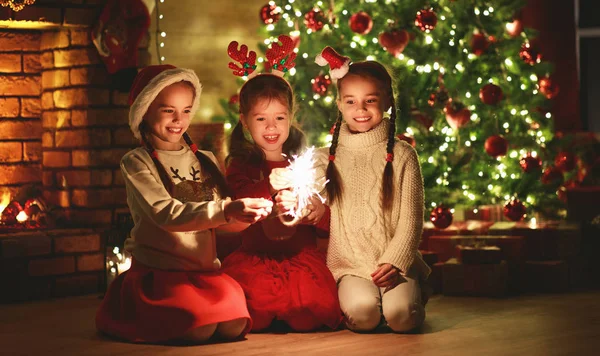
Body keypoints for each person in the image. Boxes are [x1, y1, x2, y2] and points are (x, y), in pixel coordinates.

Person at [95, 64, 273, 344]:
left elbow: (221, 223)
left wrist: (246, 215)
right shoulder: (136, 162)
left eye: (187, 110)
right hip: (161, 275)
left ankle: (198, 308)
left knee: (235, 325)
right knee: (198, 328)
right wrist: (226, 210)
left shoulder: (205, 159)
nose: (179, 119)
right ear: (145, 111)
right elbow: (167, 214)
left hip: (204, 273)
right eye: (168, 110)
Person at [274, 47, 431, 333]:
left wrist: (396, 261)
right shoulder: (326, 156)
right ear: (339, 104)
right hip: (349, 264)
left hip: (393, 263)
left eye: (370, 100)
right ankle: (373, 303)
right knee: (363, 316)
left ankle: (410, 294)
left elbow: (411, 220)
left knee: (402, 318)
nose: (360, 109)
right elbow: (307, 179)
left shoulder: (403, 155)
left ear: (386, 101)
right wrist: (288, 183)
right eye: (351, 101)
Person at [221, 71, 342, 333]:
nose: (271, 127)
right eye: (261, 118)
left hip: (300, 260)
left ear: (290, 118)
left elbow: (326, 222)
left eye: (279, 117)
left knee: (309, 315)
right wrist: (268, 186)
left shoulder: (305, 162)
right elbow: (234, 207)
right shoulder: (240, 166)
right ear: (244, 121)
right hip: (256, 260)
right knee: (255, 310)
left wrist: (315, 212)